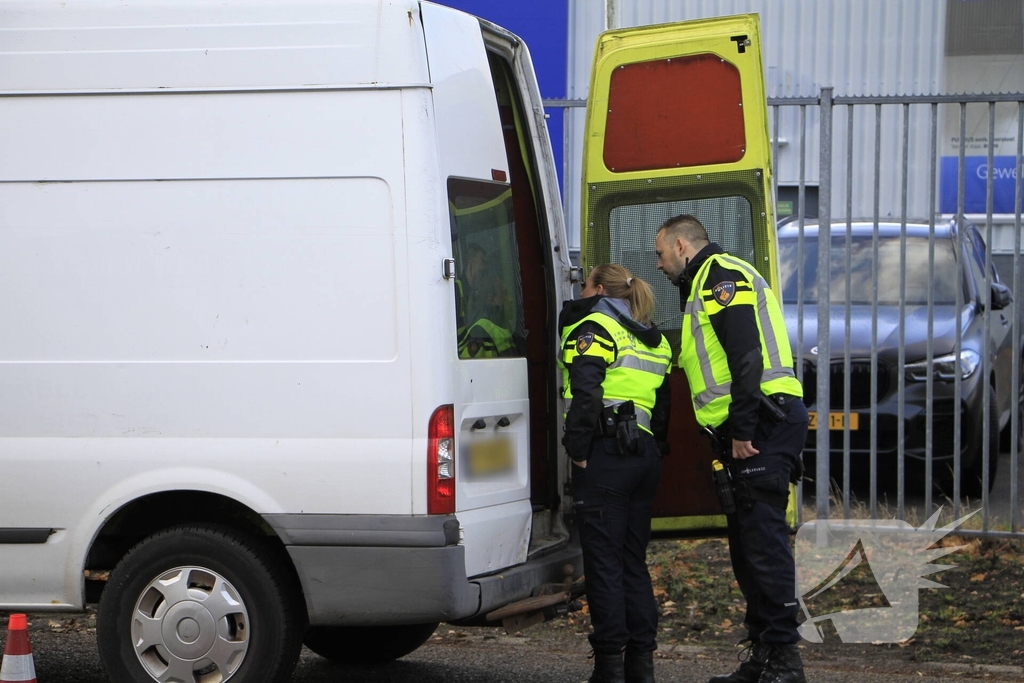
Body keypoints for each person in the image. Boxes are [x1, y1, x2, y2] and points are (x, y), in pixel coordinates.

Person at [654, 215, 809, 683]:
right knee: (747, 548)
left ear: (681, 245)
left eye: (660, 254)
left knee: (763, 544)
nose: (658, 265)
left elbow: (745, 354)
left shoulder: (720, 277)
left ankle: (786, 661)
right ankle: (764, 654)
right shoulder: (703, 282)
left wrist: (743, 429)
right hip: (749, 425)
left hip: (761, 421)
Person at [558, 264, 673, 683]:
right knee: (631, 562)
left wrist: (578, 450)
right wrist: (654, 450)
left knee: (604, 565)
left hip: (606, 456)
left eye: (583, 284)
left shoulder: (596, 327)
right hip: (643, 458)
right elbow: (662, 407)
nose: (580, 290)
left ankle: (609, 669)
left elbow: (586, 390)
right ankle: (640, 666)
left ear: (599, 289)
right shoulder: (653, 337)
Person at [456, 244, 514, 358]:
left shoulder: (477, 293)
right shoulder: (455, 291)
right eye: (482, 271)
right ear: (470, 265)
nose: (484, 275)